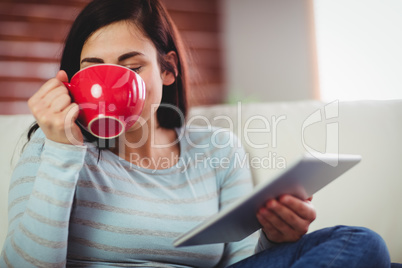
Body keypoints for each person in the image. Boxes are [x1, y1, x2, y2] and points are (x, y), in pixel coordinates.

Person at [0, 0, 391, 267]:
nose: (113, 82)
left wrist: (274, 237)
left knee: (360, 246)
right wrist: (62, 148)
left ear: (168, 70)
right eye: (95, 67)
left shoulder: (217, 149)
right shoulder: (52, 148)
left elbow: (243, 263)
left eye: (131, 66)